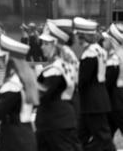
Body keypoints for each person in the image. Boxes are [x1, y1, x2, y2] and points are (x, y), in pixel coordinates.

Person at [0, 34, 39, 151]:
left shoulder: (11, 85)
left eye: (1, 57)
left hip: (13, 140)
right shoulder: (26, 80)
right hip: (28, 135)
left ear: (8, 58)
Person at [35, 20, 80, 151]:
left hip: (54, 123)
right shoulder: (66, 64)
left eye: (45, 44)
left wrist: (33, 80)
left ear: (54, 45)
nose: (42, 47)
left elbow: (41, 95)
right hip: (63, 120)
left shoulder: (54, 70)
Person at [73, 17, 115, 151]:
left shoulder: (89, 53)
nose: (76, 39)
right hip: (97, 100)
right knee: (80, 137)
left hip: (92, 102)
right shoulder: (99, 50)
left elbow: (83, 79)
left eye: (78, 36)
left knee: (102, 138)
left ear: (82, 36)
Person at [102, 23, 123, 145]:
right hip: (117, 99)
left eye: (107, 39)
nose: (104, 41)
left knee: (106, 135)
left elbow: (107, 82)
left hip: (117, 99)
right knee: (106, 136)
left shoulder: (115, 57)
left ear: (113, 40)